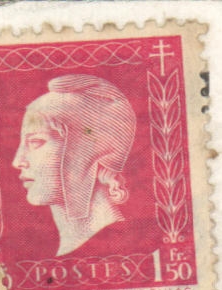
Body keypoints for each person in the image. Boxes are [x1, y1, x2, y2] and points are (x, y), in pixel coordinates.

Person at [10, 74, 140, 257]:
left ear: (86, 152)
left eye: (36, 142)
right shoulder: (69, 250)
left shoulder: (122, 250)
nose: (18, 161)